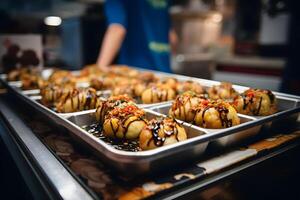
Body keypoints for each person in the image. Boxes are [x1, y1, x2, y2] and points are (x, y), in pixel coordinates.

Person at [96, 0, 177, 72]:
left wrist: (100, 67)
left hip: (136, 72)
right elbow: (172, 37)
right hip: (164, 71)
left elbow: (117, 30)